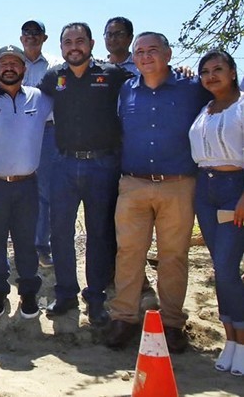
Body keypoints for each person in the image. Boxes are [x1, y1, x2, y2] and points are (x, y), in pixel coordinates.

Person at [105, 32, 209, 352]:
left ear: (168, 53)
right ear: (133, 58)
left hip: (178, 184)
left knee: (173, 255)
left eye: (153, 50)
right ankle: (124, 317)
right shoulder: (127, 89)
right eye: (139, 51)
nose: (145, 56)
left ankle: (172, 323)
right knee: (128, 254)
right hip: (133, 183)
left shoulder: (192, 88)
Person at [37, 22, 133, 326]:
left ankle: (95, 298)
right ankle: (65, 294)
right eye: (68, 42)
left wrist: (181, 72)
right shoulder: (55, 77)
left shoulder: (112, 74)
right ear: (61, 47)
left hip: (102, 165)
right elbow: (27, 97)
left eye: (80, 41)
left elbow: (146, 84)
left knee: (99, 234)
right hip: (63, 164)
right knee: (60, 232)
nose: (73, 47)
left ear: (91, 44)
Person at [0, 45, 51, 321]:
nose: (9, 67)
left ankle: (28, 293)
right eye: (3, 63)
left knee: (26, 242)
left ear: (24, 69)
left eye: (14, 63)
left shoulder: (40, 99)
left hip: (28, 184)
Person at [189, 49, 244, 375]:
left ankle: (242, 341)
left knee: (225, 268)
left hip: (233, 190)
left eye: (218, 69)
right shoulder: (204, 109)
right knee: (220, 267)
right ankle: (231, 341)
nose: (211, 76)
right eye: (205, 71)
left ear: (233, 72)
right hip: (205, 192)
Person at [20, 20, 55, 268]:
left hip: (47, 131)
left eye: (36, 33)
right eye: (27, 33)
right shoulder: (11, 62)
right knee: (7, 186)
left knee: (44, 191)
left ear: (44, 38)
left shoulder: (54, 66)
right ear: (21, 38)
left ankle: (41, 247)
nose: (31, 37)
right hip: (16, 131)